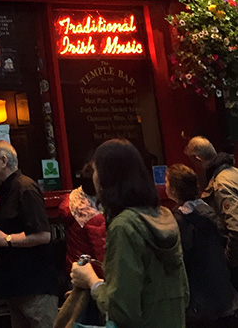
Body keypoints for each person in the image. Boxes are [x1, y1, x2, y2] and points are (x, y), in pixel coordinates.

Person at [71, 138, 188, 328]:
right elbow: (185, 293)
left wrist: (90, 280)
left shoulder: (124, 226)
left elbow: (122, 310)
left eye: (95, 171)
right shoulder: (164, 216)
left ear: (106, 177)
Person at [0, 140, 58, 328]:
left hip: (35, 290)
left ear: (3, 160)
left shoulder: (25, 188)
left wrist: (5, 239)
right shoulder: (6, 190)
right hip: (17, 289)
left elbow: (43, 235)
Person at [166, 163, 238, 328]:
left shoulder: (180, 220)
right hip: (224, 293)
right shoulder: (209, 210)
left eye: (167, 182)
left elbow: (180, 260)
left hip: (200, 300)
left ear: (175, 189)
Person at [185, 136, 238, 285]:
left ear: (198, 159)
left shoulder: (221, 183)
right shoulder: (233, 173)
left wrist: (228, 261)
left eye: (193, 163)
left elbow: (236, 228)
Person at [59, 162, 106, 274]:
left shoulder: (72, 199)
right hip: (91, 275)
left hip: (76, 268)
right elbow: (102, 254)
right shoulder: (92, 214)